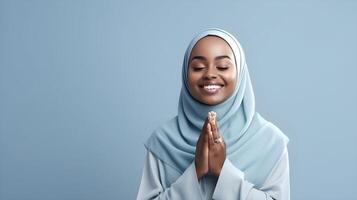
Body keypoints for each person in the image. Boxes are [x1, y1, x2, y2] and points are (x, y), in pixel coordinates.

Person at [136, 28, 290, 200]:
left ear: (240, 72)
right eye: (198, 67)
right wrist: (195, 171)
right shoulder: (164, 141)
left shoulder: (269, 142)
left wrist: (223, 172)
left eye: (223, 67)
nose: (210, 74)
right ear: (185, 74)